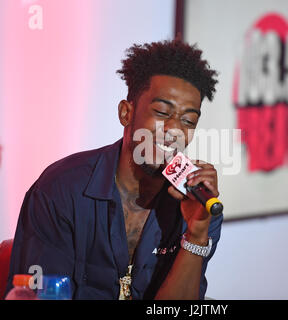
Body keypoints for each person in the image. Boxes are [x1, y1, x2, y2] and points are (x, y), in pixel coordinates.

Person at [5, 39, 223, 300]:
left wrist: (196, 235)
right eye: (162, 113)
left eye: (188, 120)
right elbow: (40, 294)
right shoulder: (61, 190)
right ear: (126, 113)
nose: (174, 130)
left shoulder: (199, 206)